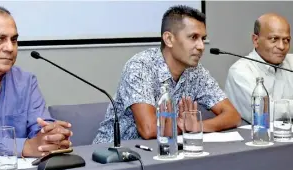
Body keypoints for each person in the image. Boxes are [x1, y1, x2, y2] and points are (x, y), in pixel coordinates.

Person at [93, 5, 241, 144]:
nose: (201, 46)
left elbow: (232, 115)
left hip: (163, 151)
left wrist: (197, 126)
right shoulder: (140, 66)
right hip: (114, 155)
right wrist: (185, 126)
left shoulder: (196, 72)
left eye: (203, 38)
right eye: (193, 37)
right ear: (169, 39)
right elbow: (149, 129)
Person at [0, 6, 72, 157]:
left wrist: (51, 137)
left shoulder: (25, 82)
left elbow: (41, 132)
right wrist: (23, 146)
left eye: (14, 40)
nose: (10, 48)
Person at [224, 13, 293, 123]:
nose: (281, 46)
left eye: (286, 40)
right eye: (274, 39)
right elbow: (263, 112)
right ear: (256, 40)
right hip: (256, 137)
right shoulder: (240, 70)